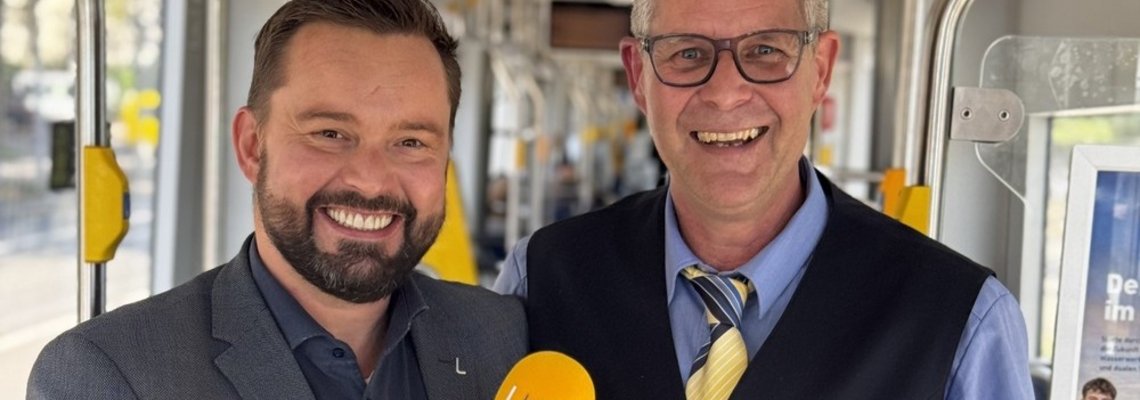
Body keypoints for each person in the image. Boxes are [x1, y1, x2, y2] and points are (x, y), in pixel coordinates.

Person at [494, 0, 1034, 398]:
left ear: (820, 70)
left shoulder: (961, 323)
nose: (726, 93)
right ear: (638, 75)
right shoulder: (541, 280)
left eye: (766, 50)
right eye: (687, 53)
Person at [29, 1, 526, 398]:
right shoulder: (111, 376)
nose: (372, 182)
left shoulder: (503, 335)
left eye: (411, 142)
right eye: (330, 133)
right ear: (252, 146)